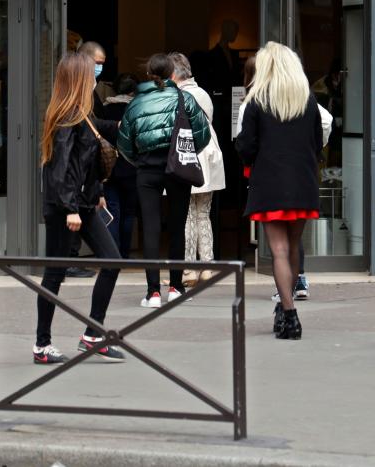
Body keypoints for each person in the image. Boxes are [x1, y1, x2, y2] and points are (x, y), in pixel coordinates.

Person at [34, 51, 125, 365]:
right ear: (78, 79)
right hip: (64, 206)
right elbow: (60, 169)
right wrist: (71, 207)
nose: (95, 77)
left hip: (83, 203)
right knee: (54, 274)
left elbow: (85, 162)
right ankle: (42, 345)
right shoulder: (66, 116)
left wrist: (96, 191)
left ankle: (93, 334)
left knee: (112, 261)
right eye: (91, 73)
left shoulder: (82, 113)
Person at [236, 42, 323, 340]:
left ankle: (289, 313)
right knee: (294, 246)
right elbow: (317, 141)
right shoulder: (307, 100)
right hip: (303, 180)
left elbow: (245, 145)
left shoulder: (257, 100)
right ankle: (288, 309)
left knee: (278, 250)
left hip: (270, 181)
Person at [117, 53, 212, 308]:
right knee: (177, 226)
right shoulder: (185, 97)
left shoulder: (136, 104)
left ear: (148, 75)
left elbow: (124, 144)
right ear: (173, 74)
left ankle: (152, 292)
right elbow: (202, 136)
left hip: (147, 170)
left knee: (150, 227)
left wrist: (142, 161)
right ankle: (176, 287)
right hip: (178, 168)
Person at [170, 53, 226, 283]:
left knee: (187, 216)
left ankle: (188, 269)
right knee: (204, 214)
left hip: (187, 155)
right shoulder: (202, 93)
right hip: (209, 155)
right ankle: (207, 267)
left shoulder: (177, 96)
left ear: (173, 74)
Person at [62, 40, 111, 278]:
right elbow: (66, 157)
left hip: (85, 182)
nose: (100, 70)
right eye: (97, 64)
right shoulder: (72, 104)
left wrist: (98, 190)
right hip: (75, 183)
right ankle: (67, 261)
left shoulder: (88, 96)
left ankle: (68, 261)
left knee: (112, 260)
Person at [98, 73, 140, 256]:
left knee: (113, 211)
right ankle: (124, 253)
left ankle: (113, 255)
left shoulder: (105, 110)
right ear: (134, 91)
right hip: (130, 167)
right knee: (129, 213)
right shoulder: (136, 110)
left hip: (109, 167)